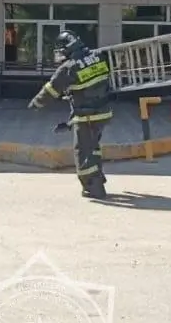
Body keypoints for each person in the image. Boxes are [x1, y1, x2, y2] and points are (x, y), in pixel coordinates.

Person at [28, 30, 112, 199]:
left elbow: (51, 90)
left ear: (67, 48)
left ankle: (93, 186)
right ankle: (98, 176)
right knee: (93, 148)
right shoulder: (98, 56)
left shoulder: (69, 67)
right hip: (103, 113)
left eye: (61, 50)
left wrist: (35, 104)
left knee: (83, 152)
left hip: (86, 116)